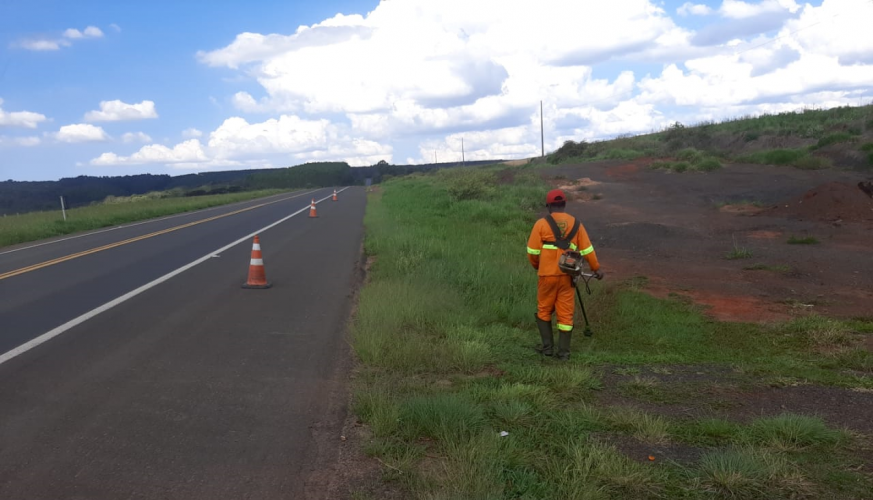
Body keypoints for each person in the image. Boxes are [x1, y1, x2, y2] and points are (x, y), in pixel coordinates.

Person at [526, 189, 603, 360]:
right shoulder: (576, 224)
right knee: (565, 314)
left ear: (549, 206)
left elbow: (532, 251)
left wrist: (537, 265)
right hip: (568, 277)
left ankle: (547, 349)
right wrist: (596, 269)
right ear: (564, 205)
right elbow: (588, 250)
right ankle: (564, 354)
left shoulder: (541, 224)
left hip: (546, 276)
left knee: (544, 310)